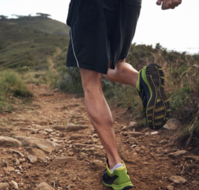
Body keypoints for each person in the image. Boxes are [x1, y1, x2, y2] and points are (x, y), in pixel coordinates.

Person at [66, 0, 182, 189]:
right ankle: (139, 79)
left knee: (91, 83)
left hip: (91, 5)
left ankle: (116, 167)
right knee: (114, 64)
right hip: (127, 4)